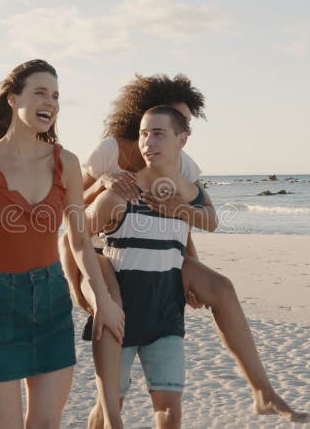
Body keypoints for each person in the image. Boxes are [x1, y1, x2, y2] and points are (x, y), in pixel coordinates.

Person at [61, 74, 310, 425]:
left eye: (182, 126)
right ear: (142, 118)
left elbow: (189, 223)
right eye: (153, 129)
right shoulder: (111, 152)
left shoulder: (185, 167)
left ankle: (262, 391)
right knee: (110, 373)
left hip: (161, 262)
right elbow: (70, 221)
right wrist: (105, 186)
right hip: (105, 251)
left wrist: (189, 270)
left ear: (183, 136)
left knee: (221, 288)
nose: (159, 138)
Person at [0, 59, 125, 429]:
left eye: (55, 95)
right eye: (40, 92)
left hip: (52, 300)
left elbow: (78, 239)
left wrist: (102, 298)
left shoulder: (66, 163)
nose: (51, 102)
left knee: (45, 423)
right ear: (12, 98)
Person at [86, 105, 206, 428]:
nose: (147, 142)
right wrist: (94, 290)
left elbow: (188, 239)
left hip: (167, 315)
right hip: (119, 318)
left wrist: (193, 276)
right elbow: (76, 233)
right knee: (109, 407)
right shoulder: (120, 192)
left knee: (170, 410)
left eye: (157, 133)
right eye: (143, 134)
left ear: (182, 139)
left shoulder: (187, 197)